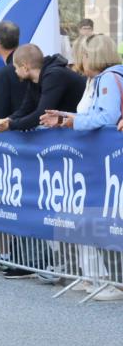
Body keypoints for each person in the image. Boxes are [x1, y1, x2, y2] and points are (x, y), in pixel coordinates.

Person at [38, 34, 123, 302]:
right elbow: (95, 115)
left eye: (84, 56)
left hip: (102, 159)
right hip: (97, 157)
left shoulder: (109, 78)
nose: (80, 61)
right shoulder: (102, 78)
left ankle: (104, 279)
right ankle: (93, 277)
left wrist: (72, 122)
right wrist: (68, 118)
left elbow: (106, 117)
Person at [0, 43, 86, 133]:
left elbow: (41, 114)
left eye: (16, 67)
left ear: (25, 67)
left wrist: (10, 125)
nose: (15, 71)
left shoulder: (54, 76)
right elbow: (25, 109)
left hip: (84, 128)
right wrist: (8, 119)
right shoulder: (33, 80)